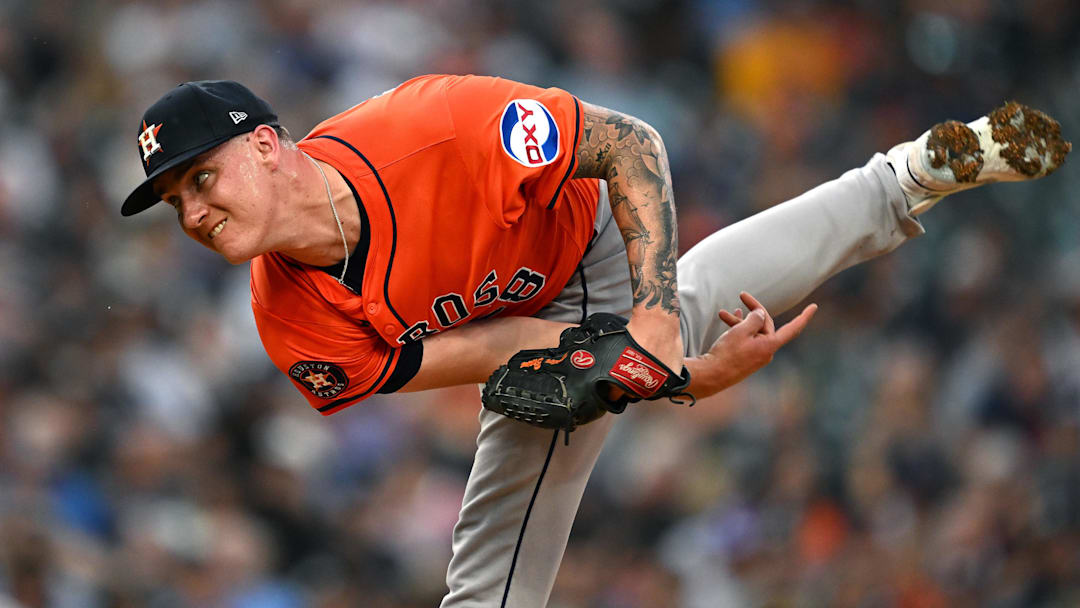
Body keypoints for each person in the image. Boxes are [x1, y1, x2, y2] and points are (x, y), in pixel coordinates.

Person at [122, 76, 1068, 607]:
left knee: (679, 298)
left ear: (264, 143)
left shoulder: (428, 128)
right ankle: (901, 179)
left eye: (200, 178)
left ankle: (906, 179)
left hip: (601, 228)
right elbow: (504, 354)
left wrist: (653, 314)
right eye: (175, 203)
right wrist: (671, 372)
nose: (194, 211)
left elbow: (629, 141)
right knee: (521, 476)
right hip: (531, 318)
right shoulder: (289, 320)